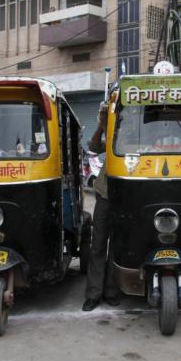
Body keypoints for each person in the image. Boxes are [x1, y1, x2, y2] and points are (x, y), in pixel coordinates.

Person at [82, 102, 121, 311]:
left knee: (116, 244)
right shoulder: (111, 127)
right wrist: (101, 124)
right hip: (104, 195)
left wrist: (107, 125)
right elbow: (94, 147)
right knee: (98, 244)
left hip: (123, 197)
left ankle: (112, 290)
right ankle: (93, 294)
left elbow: (116, 144)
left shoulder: (129, 132)